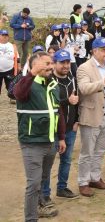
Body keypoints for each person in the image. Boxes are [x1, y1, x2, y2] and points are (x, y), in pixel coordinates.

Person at [14, 51, 66, 220]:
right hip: (32, 142)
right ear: (34, 65)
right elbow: (18, 94)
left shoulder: (53, 85)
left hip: (50, 142)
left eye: (51, 63)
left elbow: (59, 113)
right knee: (33, 184)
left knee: (43, 179)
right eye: (46, 63)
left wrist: (62, 137)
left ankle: (40, 206)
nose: (50, 66)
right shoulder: (25, 83)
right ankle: (31, 218)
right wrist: (32, 73)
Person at [77, 37, 105, 197]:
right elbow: (84, 88)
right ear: (94, 51)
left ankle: (95, 177)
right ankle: (83, 182)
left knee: (100, 150)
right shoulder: (84, 68)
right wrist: (102, 83)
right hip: (91, 115)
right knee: (87, 151)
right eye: (104, 50)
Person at [41, 50, 79, 201]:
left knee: (67, 160)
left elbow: (77, 100)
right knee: (48, 163)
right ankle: (45, 194)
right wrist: (67, 101)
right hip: (52, 130)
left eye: (67, 62)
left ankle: (62, 188)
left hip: (70, 127)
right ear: (54, 63)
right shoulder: (48, 81)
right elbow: (49, 104)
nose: (65, 65)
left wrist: (77, 119)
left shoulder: (72, 78)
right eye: (62, 62)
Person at [0, 29, 18, 96]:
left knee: (10, 85)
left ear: (8, 37)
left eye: (6, 35)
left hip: (9, 70)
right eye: (3, 35)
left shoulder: (12, 46)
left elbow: (17, 58)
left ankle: (12, 97)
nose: (4, 37)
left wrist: (18, 68)